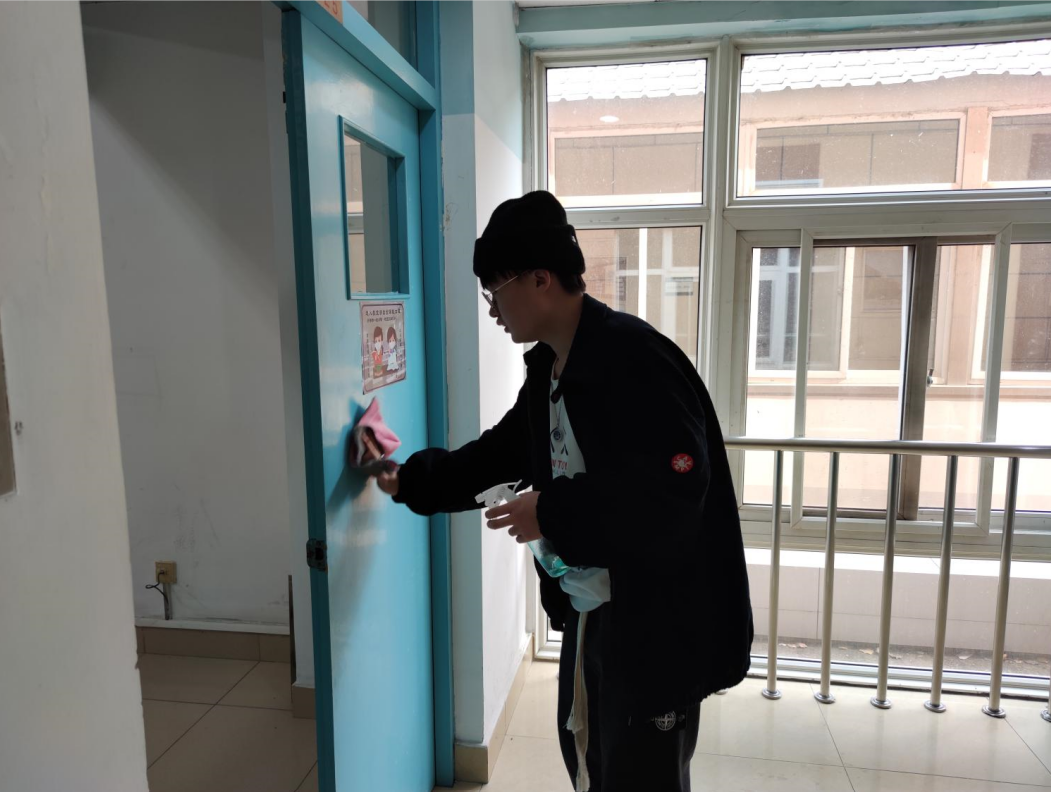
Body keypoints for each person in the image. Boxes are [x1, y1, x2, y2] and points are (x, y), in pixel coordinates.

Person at [368, 190, 753, 792]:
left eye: (495, 291)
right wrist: (408, 480)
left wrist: (549, 510)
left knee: (643, 776)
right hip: (590, 612)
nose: (493, 310)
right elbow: (498, 454)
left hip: (655, 625)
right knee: (591, 760)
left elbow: (674, 493)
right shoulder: (551, 369)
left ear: (541, 280)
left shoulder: (635, 359)